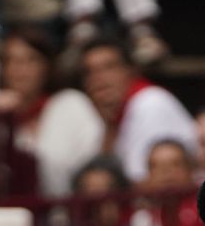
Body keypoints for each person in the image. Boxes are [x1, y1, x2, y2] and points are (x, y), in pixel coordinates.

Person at [0, 26, 104, 198]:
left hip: (72, 211)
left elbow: (93, 168)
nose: (20, 71)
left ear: (47, 66)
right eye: (11, 61)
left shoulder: (71, 104)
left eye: (30, 60)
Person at [79, 35, 195, 182]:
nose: (98, 78)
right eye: (90, 72)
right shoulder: (113, 116)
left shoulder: (150, 103)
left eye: (109, 67)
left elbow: (143, 184)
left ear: (131, 70)